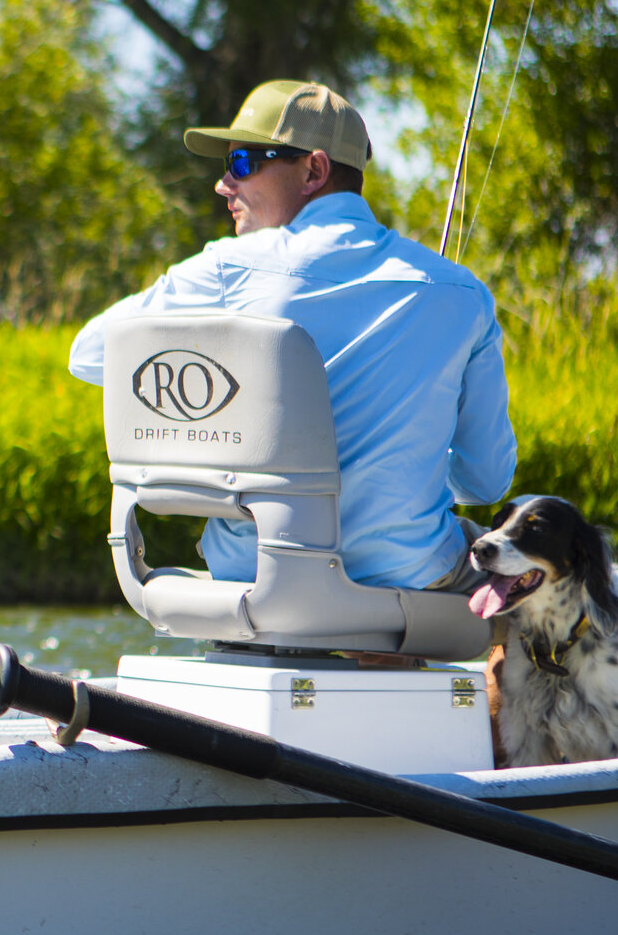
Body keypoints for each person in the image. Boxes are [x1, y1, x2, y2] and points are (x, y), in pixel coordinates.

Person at [70, 80, 515, 593]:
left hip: (253, 575)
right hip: (410, 576)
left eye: (242, 163)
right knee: (542, 577)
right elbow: (485, 481)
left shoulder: (222, 270)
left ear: (314, 171)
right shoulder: (463, 293)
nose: (223, 184)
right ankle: (391, 654)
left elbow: (90, 355)